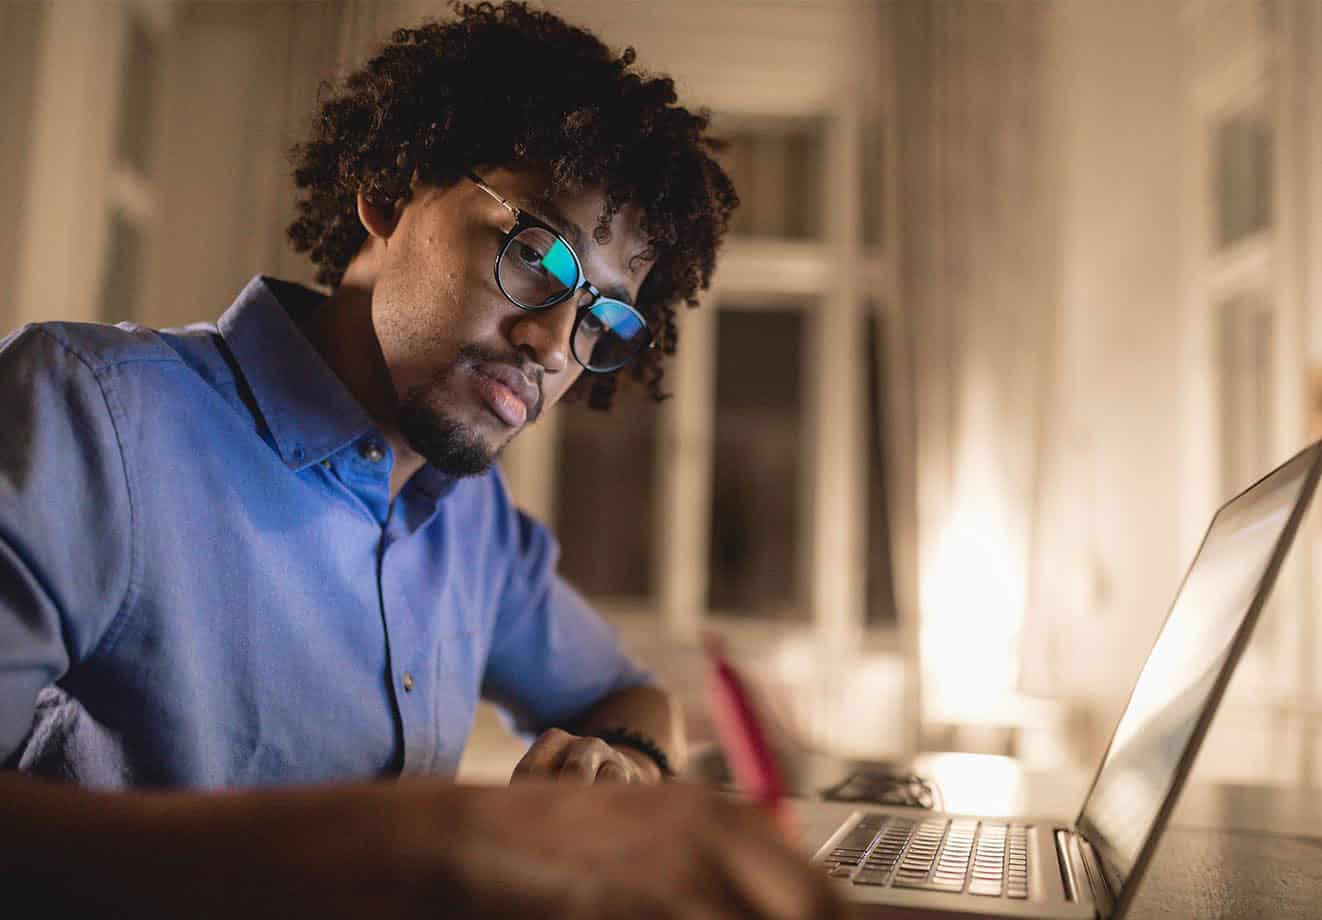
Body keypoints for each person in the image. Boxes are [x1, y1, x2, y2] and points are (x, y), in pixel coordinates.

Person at [0, 2, 849, 916]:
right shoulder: (90, 414)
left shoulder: (476, 525)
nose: (552, 347)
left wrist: (623, 777)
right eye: (536, 256)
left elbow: (628, 695)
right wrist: (446, 838)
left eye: (601, 319)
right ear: (387, 191)